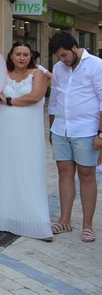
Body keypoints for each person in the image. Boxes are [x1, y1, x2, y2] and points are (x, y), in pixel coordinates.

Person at [0, 41, 52, 240]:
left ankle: (36, 222)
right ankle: (5, 216)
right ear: (11, 56)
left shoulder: (37, 73)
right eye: (18, 54)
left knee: (29, 169)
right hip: (6, 128)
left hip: (28, 131)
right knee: (7, 169)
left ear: (31, 56)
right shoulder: (3, 74)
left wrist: (10, 101)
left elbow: (35, 97)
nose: (22, 58)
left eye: (25, 54)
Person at [48, 32, 102, 243]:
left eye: (64, 55)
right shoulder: (58, 68)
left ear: (74, 47)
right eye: (59, 57)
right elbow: (54, 100)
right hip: (62, 129)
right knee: (64, 174)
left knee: (87, 175)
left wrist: (100, 134)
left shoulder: (96, 65)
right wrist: (51, 128)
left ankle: (87, 226)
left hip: (86, 130)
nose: (62, 60)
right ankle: (65, 220)